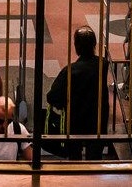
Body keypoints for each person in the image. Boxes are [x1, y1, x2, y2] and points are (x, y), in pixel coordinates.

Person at [46, 25, 110, 160]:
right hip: (97, 121)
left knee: (74, 157)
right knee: (95, 158)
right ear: (94, 45)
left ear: (77, 46)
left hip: (75, 122)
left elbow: (52, 96)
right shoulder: (102, 64)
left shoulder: (70, 71)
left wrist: (64, 103)